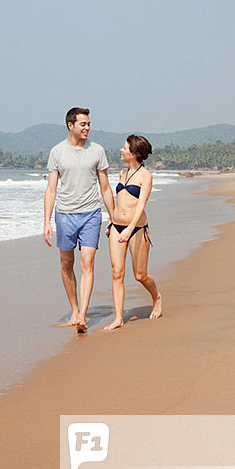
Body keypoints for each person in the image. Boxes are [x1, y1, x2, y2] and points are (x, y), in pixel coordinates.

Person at [43, 107, 114, 332]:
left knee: (87, 263)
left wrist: (113, 218)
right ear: (70, 125)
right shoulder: (57, 152)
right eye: (83, 124)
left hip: (92, 213)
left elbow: (105, 187)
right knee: (66, 263)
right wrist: (46, 221)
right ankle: (74, 308)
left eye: (89, 124)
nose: (87, 127)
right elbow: (51, 189)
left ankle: (82, 315)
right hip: (64, 214)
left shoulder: (97, 150)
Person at [104, 135, 162, 331]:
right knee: (117, 272)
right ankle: (119, 317)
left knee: (139, 275)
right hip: (116, 227)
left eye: (125, 147)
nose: (121, 150)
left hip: (136, 228)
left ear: (134, 153)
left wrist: (130, 228)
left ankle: (157, 297)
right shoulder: (122, 173)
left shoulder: (145, 176)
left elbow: (140, 206)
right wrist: (112, 221)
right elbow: (120, 201)